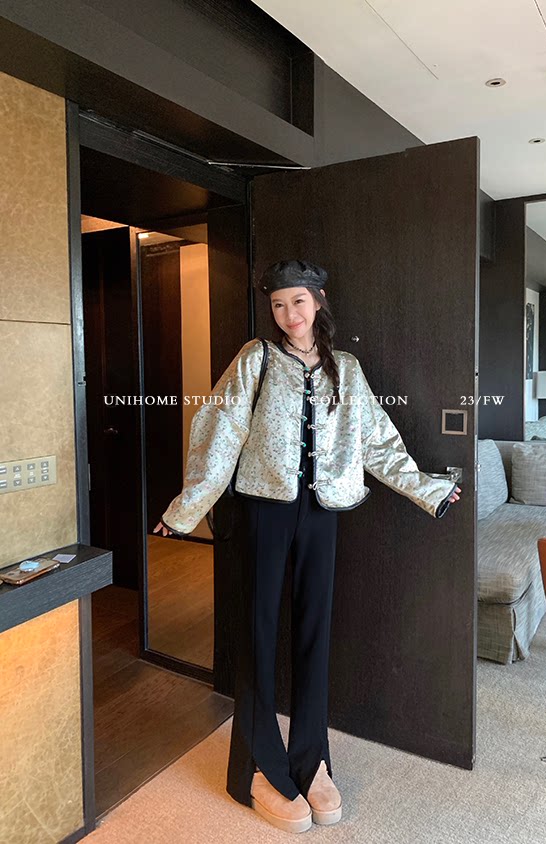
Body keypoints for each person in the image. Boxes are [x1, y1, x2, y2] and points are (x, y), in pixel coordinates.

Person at [154, 259, 461, 833]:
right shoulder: (256, 358)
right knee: (258, 634)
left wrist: (428, 489)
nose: (288, 313)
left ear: (318, 300)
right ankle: (256, 767)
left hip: (324, 513)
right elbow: (220, 432)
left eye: (297, 301)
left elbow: (377, 440)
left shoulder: (347, 368)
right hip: (264, 510)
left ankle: (311, 759)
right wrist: (187, 507)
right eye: (277, 304)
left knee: (315, 635)